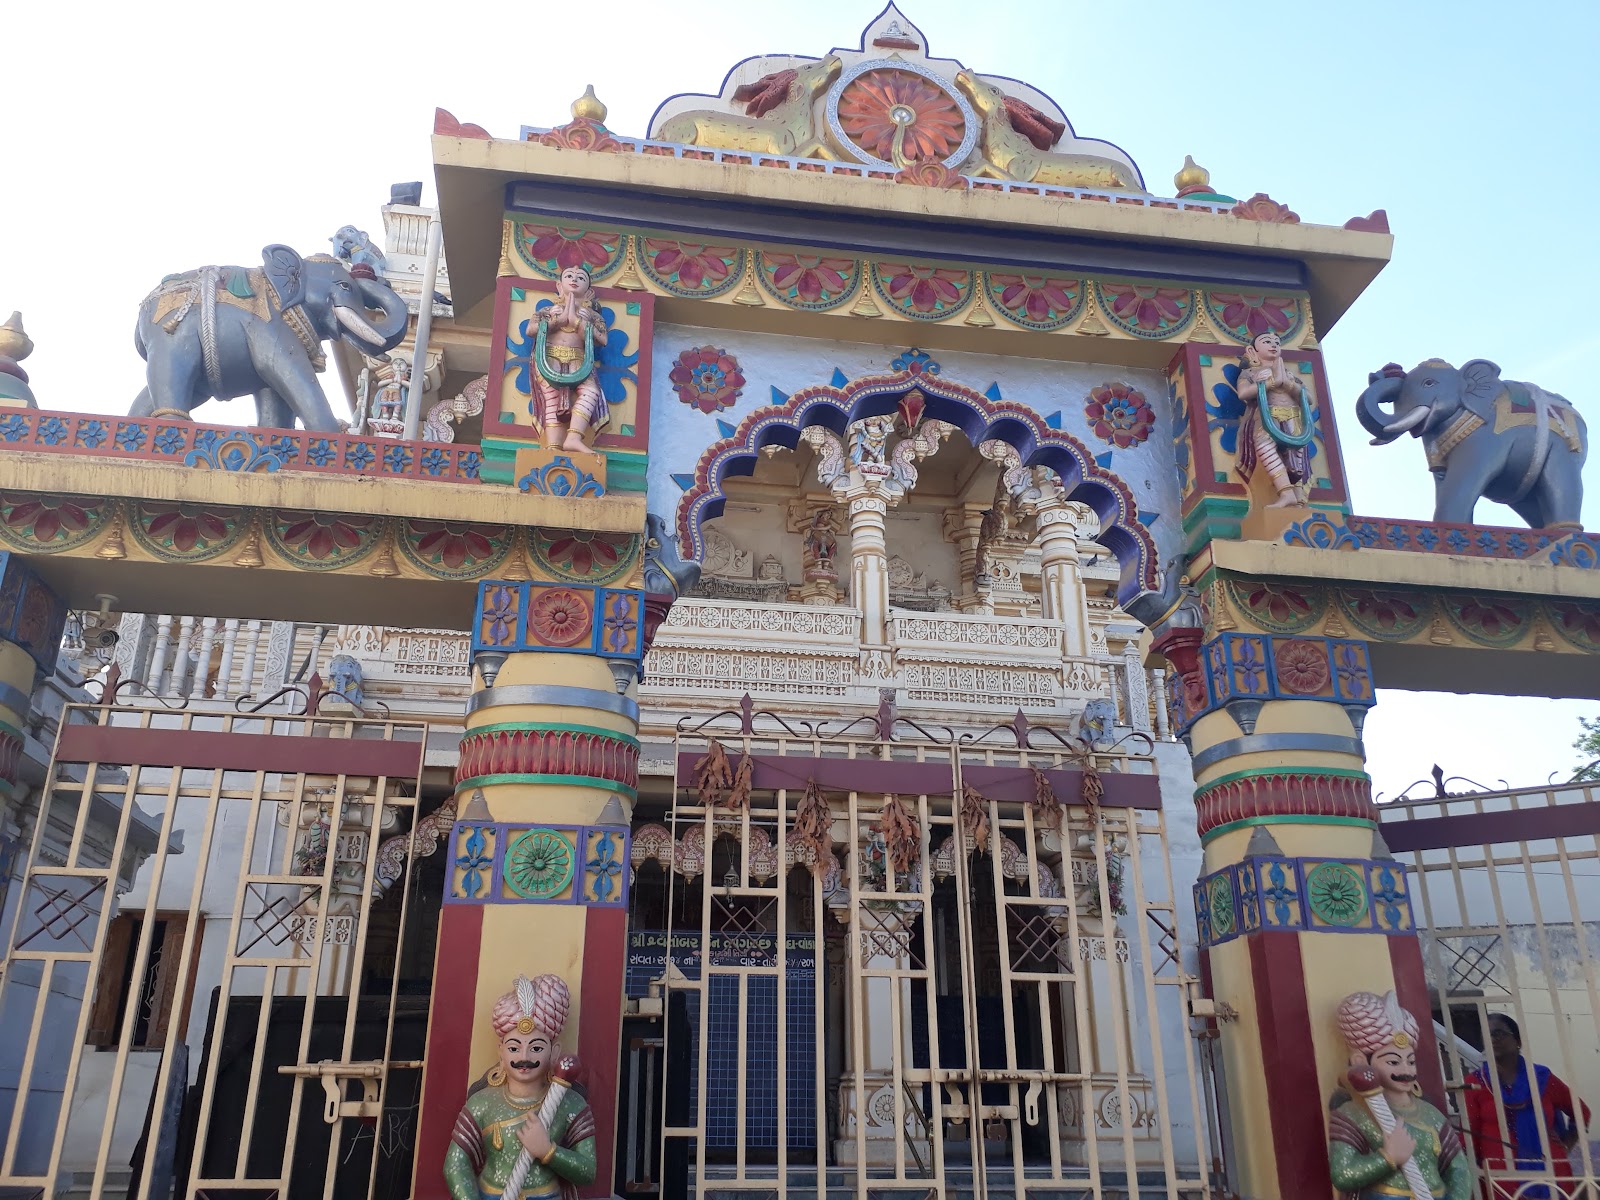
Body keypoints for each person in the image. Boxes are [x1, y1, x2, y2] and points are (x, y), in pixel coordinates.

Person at [444, 973, 597, 1200]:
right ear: (501, 1052)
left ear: (554, 1053)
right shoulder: (482, 1103)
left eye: (536, 1048)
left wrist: (548, 1152)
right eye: (514, 1048)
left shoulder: (570, 1104)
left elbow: (588, 1172)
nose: (524, 1057)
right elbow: (455, 1164)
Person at [1328, 990, 1473, 1199]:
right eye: (1393, 1062)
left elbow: (1458, 1169)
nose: (1406, 1070)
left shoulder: (1430, 1114)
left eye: (1411, 1061)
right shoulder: (1351, 1114)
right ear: (1361, 1061)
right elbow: (1342, 1174)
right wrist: (1387, 1157)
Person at [1463, 1013, 1591, 1199]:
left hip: (1551, 1173)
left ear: (1518, 1041)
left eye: (1498, 1034)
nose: (1493, 1040)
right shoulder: (1475, 1083)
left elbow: (1581, 1112)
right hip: (1500, 1178)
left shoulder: (1542, 1078)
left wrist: (1566, 1144)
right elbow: (1469, 1136)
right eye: (1487, 1036)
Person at [1233, 329, 1315, 509]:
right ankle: (1286, 493)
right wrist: (1268, 383)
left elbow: (1308, 399)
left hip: (1293, 416)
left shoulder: (1289, 374)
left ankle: (1299, 496)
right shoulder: (1251, 373)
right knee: (1265, 447)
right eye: (1267, 341)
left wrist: (1288, 384)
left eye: (1277, 343)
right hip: (1266, 418)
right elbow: (1243, 393)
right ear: (1252, 350)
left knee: (1295, 456)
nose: (1273, 345)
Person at [531, 266, 609, 453]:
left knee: (591, 392)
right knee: (551, 396)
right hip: (548, 358)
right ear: (559, 285)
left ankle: (573, 437)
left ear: (589, 292)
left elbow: (603, 340)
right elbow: (531, 330)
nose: (574, 279)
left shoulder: (592, 316)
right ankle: (553, 445)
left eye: (581, 277)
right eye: (569, 276)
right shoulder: (547, 310)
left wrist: (579, 322)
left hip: (579, 359)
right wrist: (556, 320)